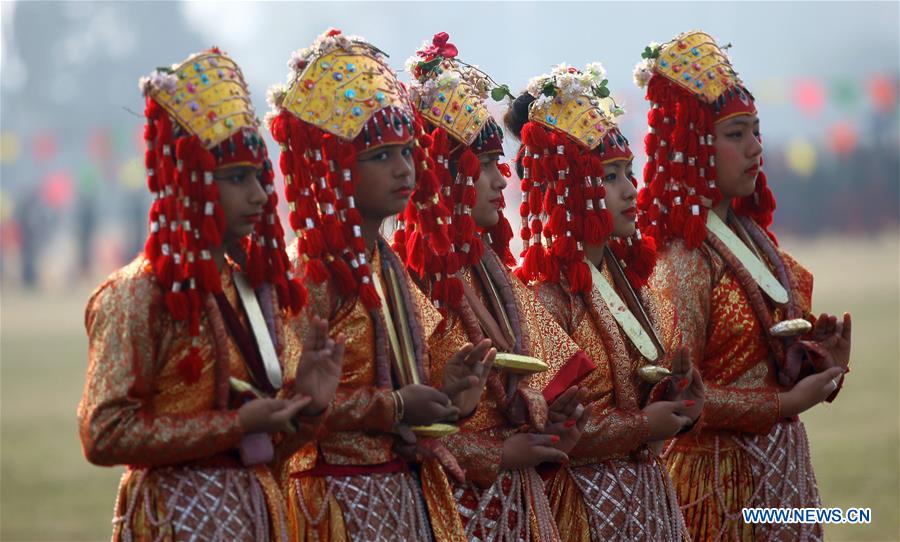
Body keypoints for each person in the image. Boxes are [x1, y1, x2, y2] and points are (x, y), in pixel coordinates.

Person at [77, 48, 344, 541]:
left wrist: (307, 406)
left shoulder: (246, 284)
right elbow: (103, 432)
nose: (261, 196)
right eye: (237, 179)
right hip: (173, 518)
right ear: (189, 180)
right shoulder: (135, 294)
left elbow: (269, 445)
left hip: (256, 514)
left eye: (259, 178)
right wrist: (234, 426)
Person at [267, 29, 496, 540]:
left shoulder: (386, 262)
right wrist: (393, 408)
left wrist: (450, 393)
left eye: (407, 153)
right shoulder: (309, 272)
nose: (403, 170)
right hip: (332, 504)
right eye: (380, 156)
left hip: (404, 496)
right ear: (334, 164)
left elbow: (408, 388)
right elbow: (286, 408)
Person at [633, 30, 852, 541]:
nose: (756, 148)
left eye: (756, 131)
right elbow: (678, 400)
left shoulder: (751, 238)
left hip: (780, 472)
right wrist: (784, 405)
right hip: (718, 486)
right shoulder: (684, 256)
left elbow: (767, 367)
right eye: (735, 135)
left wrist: (824, 364)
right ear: (691, 146)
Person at [402, 33, 594, 541]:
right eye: (485, 165)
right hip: (450, 514)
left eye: (498, 164)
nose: (500, 180)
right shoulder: (412, 273)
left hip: (519, 507)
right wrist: (501, 453)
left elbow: (538, 389)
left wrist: (555, 421)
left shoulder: (489, 270)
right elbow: (399, 430)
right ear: (445, 174)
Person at [505, 62, 703, 541]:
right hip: (583, 507)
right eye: (611, 177)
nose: (630, 190)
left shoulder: (629, 281)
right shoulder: (544, 295)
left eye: (629, 173)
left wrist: (681, 404)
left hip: (650, 497)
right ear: (571, 186)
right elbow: (549, 432)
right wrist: (641, 425)